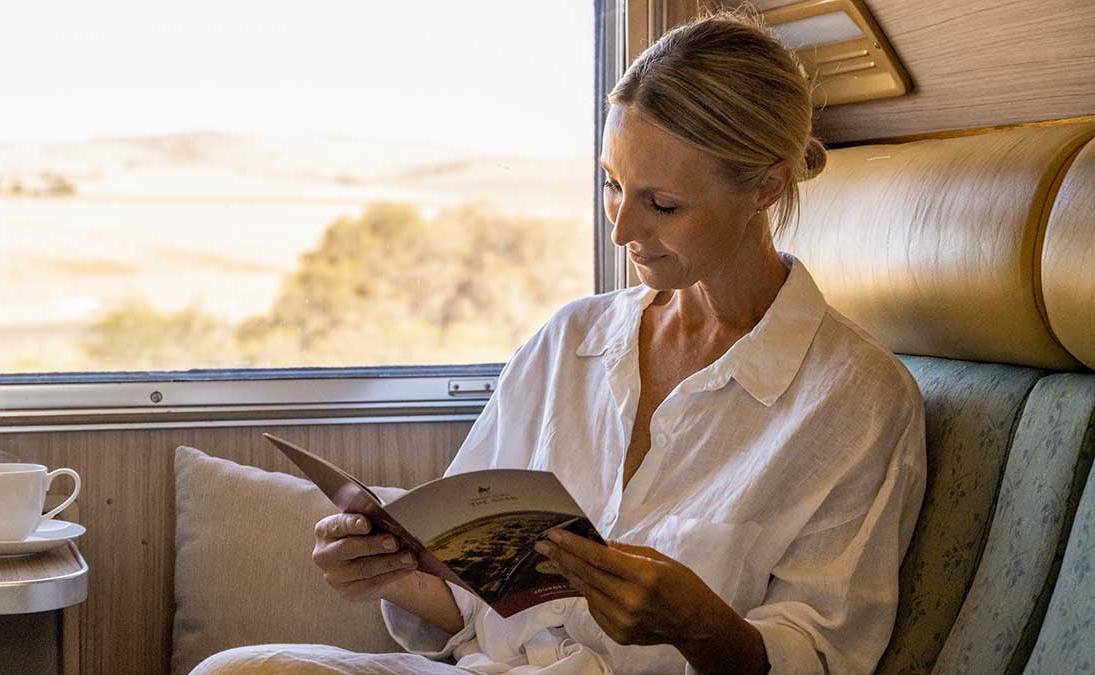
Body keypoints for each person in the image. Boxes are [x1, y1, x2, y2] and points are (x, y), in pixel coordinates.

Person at [193, 9, 926, 675]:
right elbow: (482, 601)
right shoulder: (570, 339)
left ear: (765, 189)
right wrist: (395, 573)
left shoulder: (856, 399)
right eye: (612, 185)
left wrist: (705, 630)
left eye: (662, 204)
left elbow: (823, 655)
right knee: (234, 670)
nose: (621, 231)